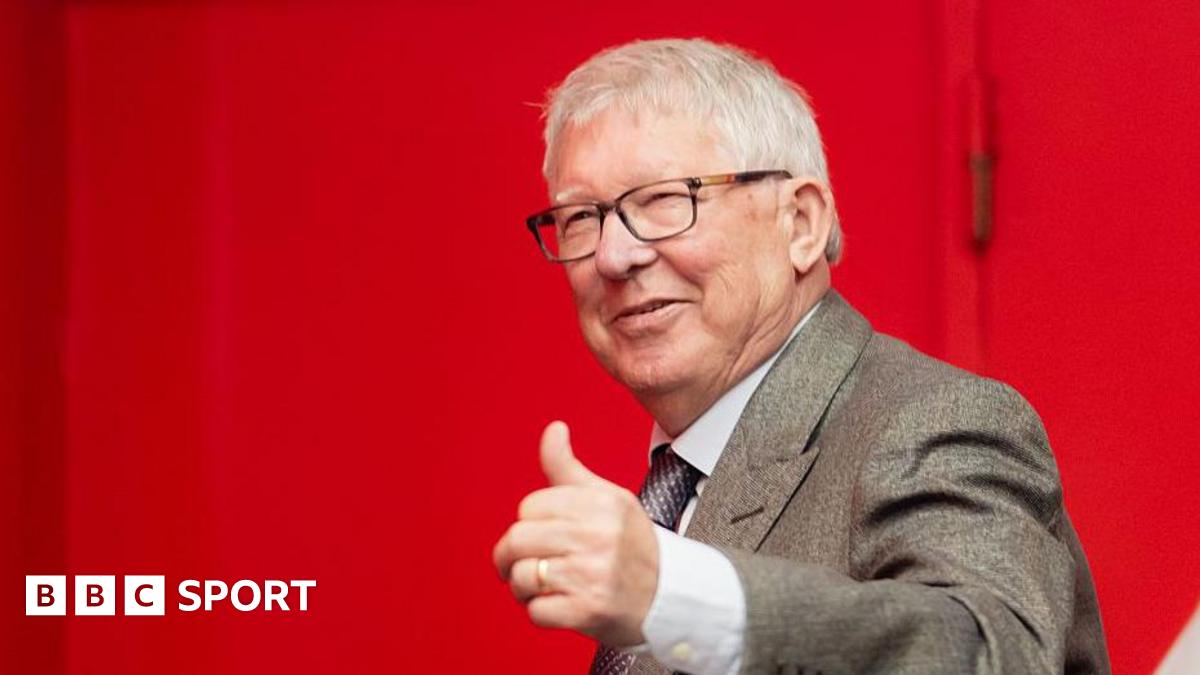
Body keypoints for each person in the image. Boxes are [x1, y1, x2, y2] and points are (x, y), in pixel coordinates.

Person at [491, 38, 1109, 674]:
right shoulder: (678, 486)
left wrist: (673, 592)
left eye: (665, 201)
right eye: (582, 218)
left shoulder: (935, 422)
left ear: (802, 223)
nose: (613, 257)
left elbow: (992, 658)